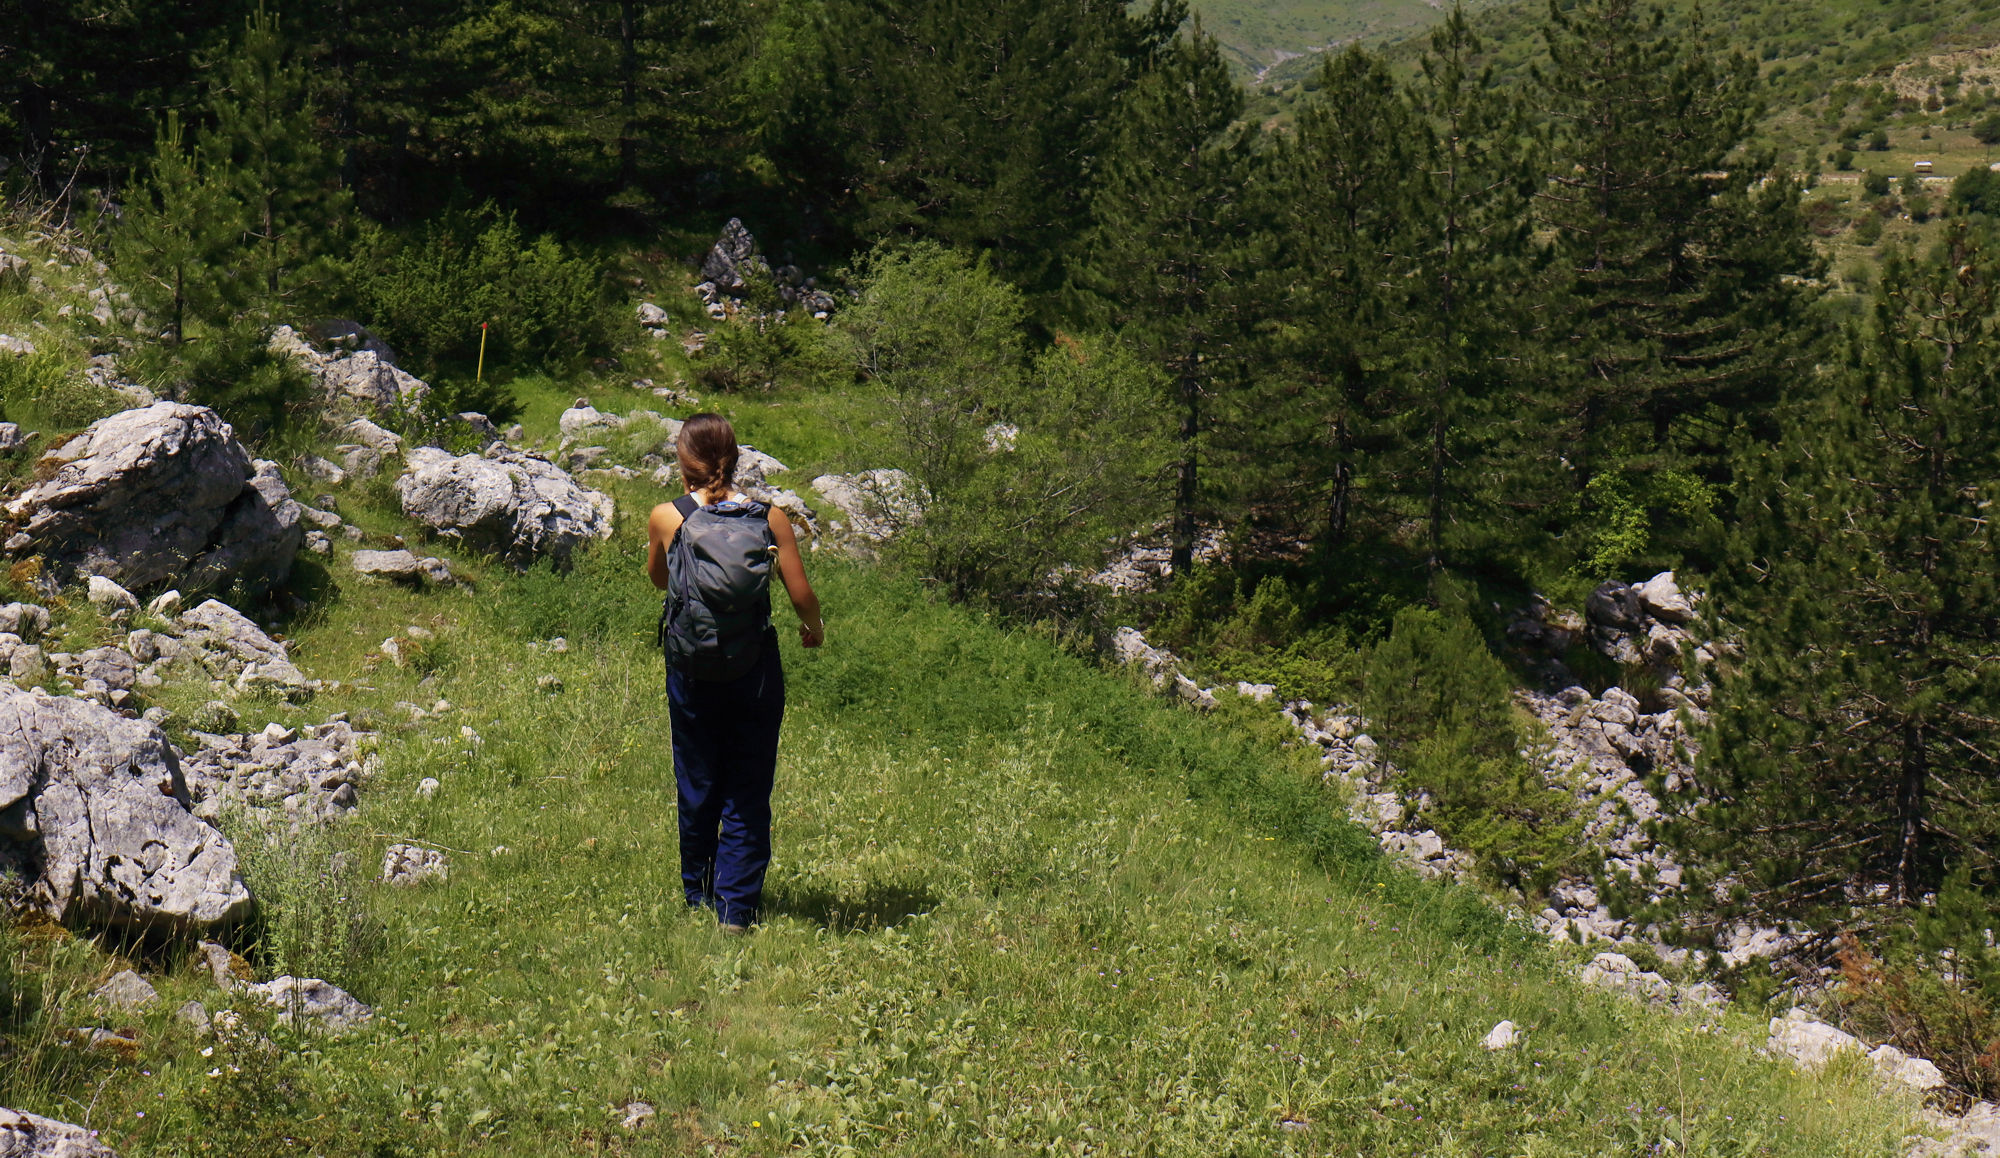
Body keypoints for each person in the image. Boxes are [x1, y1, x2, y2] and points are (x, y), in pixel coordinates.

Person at [646, 414, 823, 932]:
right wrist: (814, 628)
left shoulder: (667, 516)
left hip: (691, 667)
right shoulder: (770, 519)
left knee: (697, 777)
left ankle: (696, 894)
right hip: (754, 668)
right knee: (747, 783)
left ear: (684, 463)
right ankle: (737, 910)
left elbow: (659, 580)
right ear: (736, 459)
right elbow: (800, 595)